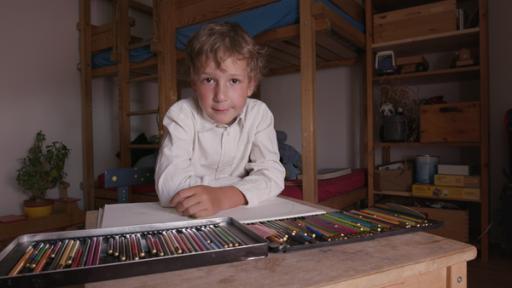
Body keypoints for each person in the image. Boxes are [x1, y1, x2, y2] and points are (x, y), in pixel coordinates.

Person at [155, 23, 285, 218]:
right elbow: (168, 188)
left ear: (250, 85)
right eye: (209, 80)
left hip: (239, 214)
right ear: (194, 83)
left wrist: (223, 197)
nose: (220, 96)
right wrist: (244, 185)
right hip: (188, 219)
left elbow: (273, 175)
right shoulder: (181, 114)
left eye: (234, 81)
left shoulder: (259, 114)